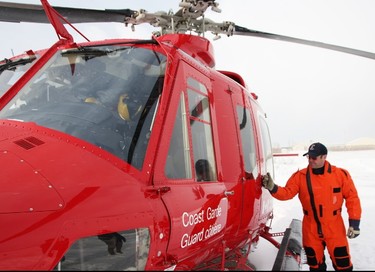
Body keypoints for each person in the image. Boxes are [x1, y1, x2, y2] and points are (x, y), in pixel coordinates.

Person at [262, 142, 361, 271]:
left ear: (324, 157)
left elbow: (352, 199)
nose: (310, 160)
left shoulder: (340, 175)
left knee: (343, 264)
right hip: (311, 228)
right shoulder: (300, 177)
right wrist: (272, 187)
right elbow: (287, 193)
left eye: (314, 157)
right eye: (308, 157)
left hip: (334, 227)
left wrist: (354, 223)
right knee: (315, 265)